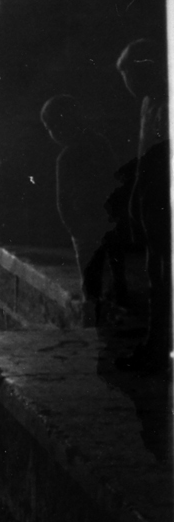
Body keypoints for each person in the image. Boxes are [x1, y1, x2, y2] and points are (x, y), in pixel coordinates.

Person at [114, 39, 171, 372]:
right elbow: (143, 156)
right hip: (150, 199)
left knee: (164, 276)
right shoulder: (149, 103)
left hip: (164, 200)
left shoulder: (166, 104)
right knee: (155, 273)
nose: (130, 87)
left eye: (133, 77)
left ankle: (160, 346)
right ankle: (155, 343)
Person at [40, 95, 121, 309]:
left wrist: (74, 227)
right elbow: (115, 179)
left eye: (54, 126)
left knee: (91, 271)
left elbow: (63, 200)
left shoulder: (66, 158)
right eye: (49, 127)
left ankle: (93, 310)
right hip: (104, 219)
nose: (53, 133)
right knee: (113, 264)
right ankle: (114, 299)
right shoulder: (100, 143)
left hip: (88, 224)